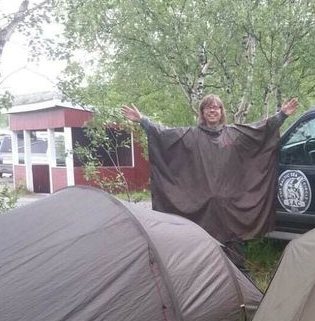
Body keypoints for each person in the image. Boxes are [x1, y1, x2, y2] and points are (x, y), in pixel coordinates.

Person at [121, 95, 299, 271]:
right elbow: (164, 134)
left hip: (230, 205)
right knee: (204, 246)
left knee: (234, 246)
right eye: (208, 107)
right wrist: (143, 120)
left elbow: (260, 130)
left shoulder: (235, 134)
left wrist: (282, 115)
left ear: (221, 112)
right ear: (202, 112)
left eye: (216, 107)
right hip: (203, 206)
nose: (213, 110)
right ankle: (209, 279)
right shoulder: (191, 136)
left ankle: (240, 281)